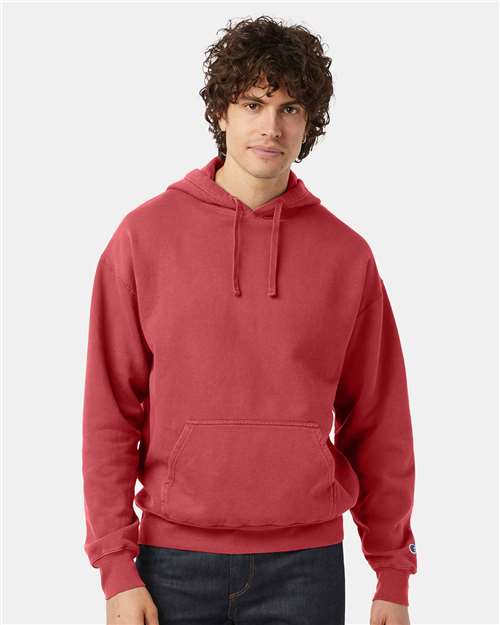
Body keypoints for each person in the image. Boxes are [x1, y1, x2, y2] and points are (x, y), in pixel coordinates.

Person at [82, 15, 417, 625]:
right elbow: (109, 410)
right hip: (171, 564)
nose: (271, 127)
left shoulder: (347, 255)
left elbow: (380, 419)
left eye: (290, 108)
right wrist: (114, 566)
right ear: (222, 113)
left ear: (309, 122)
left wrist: (392, 570)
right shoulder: (143, 238)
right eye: (254, 104)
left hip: (306, 569)